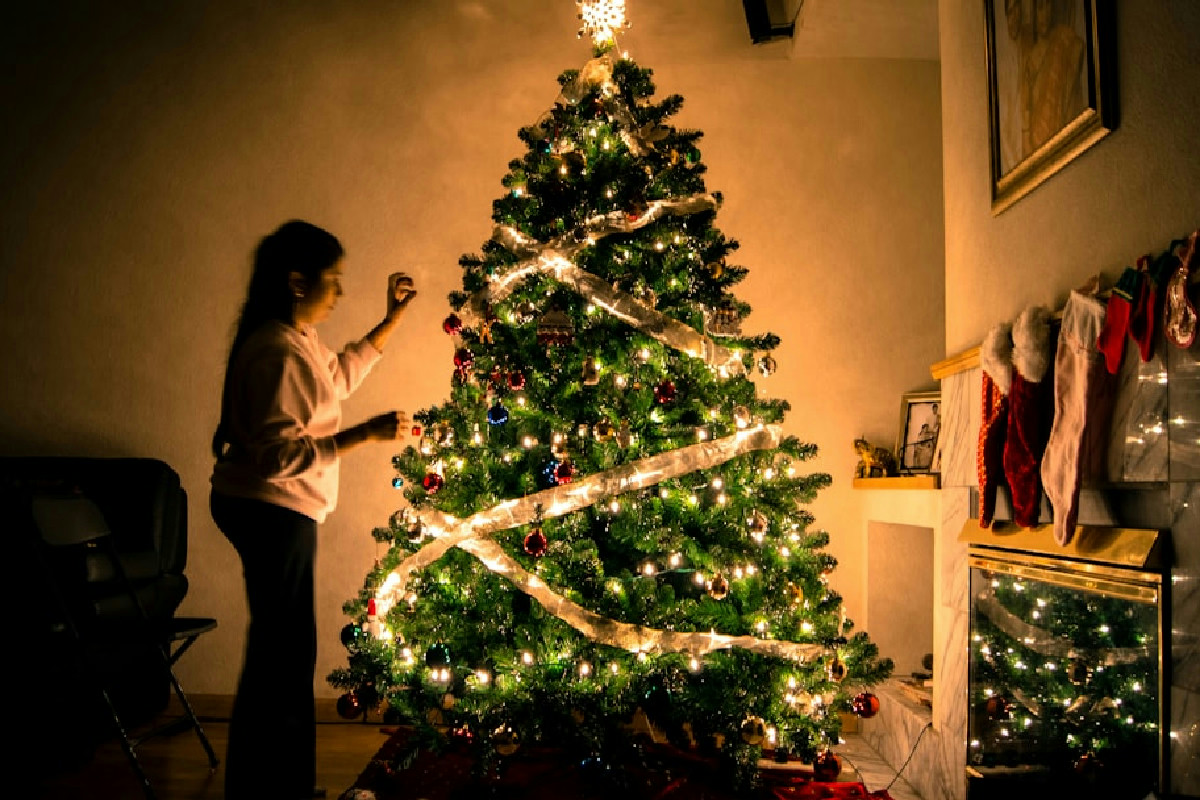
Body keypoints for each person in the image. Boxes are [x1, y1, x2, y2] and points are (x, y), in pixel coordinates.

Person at [209, 219, 417, 800]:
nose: (340, 292)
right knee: (285, 661)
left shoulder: (295, 339)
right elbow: (278, 457)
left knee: (281, 654)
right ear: (298, 282)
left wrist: (391, 319)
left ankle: (270, 788)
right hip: (271, 509)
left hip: (274, 508)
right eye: (335, 280)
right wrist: (362, 436)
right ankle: (277, 791)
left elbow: (336, 376)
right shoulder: (276, 350)